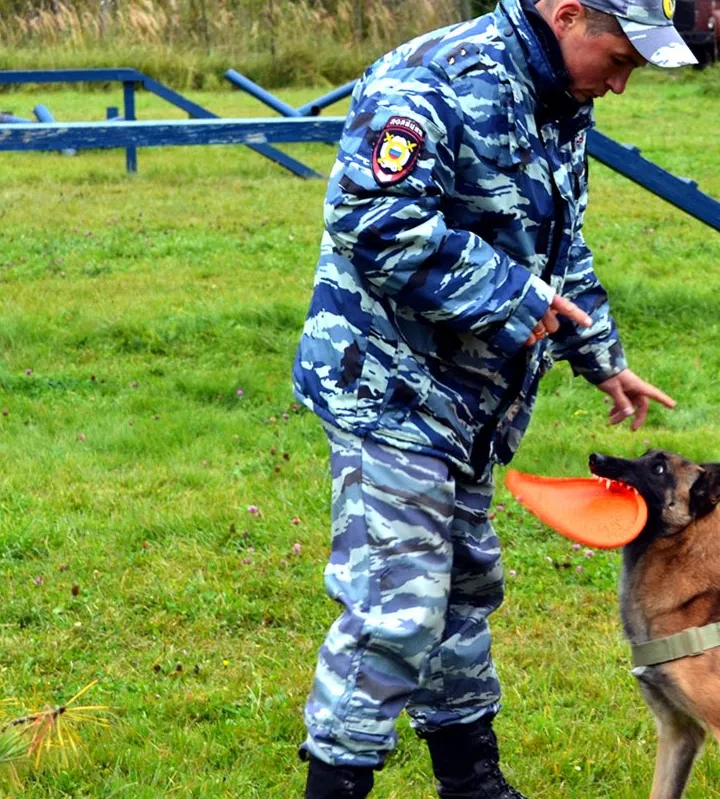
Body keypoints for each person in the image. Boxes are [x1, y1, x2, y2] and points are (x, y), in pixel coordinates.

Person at [290, 0, 694, 795]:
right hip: (391, 385)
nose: (618, 85)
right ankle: (335, 783)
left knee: (464, 590)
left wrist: (600, 355)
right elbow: (370, 220)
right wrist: (512, 296)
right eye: (617, 59)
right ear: (568, 14)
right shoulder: (433, 79)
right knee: (394, 611)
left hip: (474, 401)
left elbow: (554, 240)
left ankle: (472, 781)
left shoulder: (556, 98)